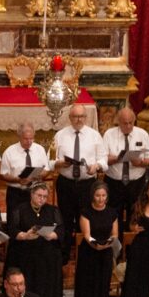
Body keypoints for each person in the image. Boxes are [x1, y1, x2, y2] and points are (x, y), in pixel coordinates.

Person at [53, 103, 107, 258]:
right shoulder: (60, 135)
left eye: (82, 116)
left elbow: (103, 160)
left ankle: (84, 252)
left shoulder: (94, 135)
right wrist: (60, 163)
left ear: (86, 117)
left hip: (87, 185)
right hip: (66, 183)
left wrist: (96, 166)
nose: (79, 120)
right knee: (65, 218)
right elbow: (50, 161)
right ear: (70, 117)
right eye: (75, 116)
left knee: (86, 218)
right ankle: (64, 254)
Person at [7, 182, 64, 297]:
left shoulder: (53, 210)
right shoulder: (20, 209)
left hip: (46, 252)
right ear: (32, 194)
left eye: (45, 196)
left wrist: (52, 235)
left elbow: (61, 230)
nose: (42, 199)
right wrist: (25, 235)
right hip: (26, 252)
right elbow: (12, 230)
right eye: (39, 195)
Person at [74, 181, 119, 297]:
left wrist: (107, 244)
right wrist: (96, 245)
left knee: (103, 283)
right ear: (93, 196)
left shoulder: (112, 212)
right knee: (88, 284)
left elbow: (115, 234)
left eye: (103, 196)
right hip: (90, 252)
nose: (101, 199)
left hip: (105, 252)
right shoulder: (86, 212)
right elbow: (87, 235)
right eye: (98, 195)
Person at [102, 107, 149, 231]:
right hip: (114, 183)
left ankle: (133, 247)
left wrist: (140, 162)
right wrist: (117, 158)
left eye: (131, 122)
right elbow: (102, 158)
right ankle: (117, 245)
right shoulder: (109, 134)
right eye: (125, 123)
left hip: (136, 183)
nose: (128, 126)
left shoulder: (142, 134)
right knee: (114, 216)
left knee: (136, 215)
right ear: (118, 122)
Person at [0, 122, 52, 217]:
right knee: (14, 220)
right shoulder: (9, 152)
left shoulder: (40, 149)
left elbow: (47, 169)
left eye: (31, 138)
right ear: (19, 137)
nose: (29, 141)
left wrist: (38, 176)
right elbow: (3, 175)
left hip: (36, 192)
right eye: (26, 139)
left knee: (34, 220)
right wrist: (19, 180)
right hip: (16, 193)